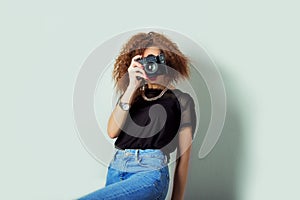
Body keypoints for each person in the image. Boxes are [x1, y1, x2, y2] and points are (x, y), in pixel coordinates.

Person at [78, 31, 196, 200]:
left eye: (157, 59)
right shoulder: (131, 97)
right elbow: (112, 131)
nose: (151, 64)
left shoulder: (181, 100)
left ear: (167, 60)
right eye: (146, 60)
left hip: (150, 172)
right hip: (116, 170)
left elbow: (183, 159)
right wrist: (132, 86)